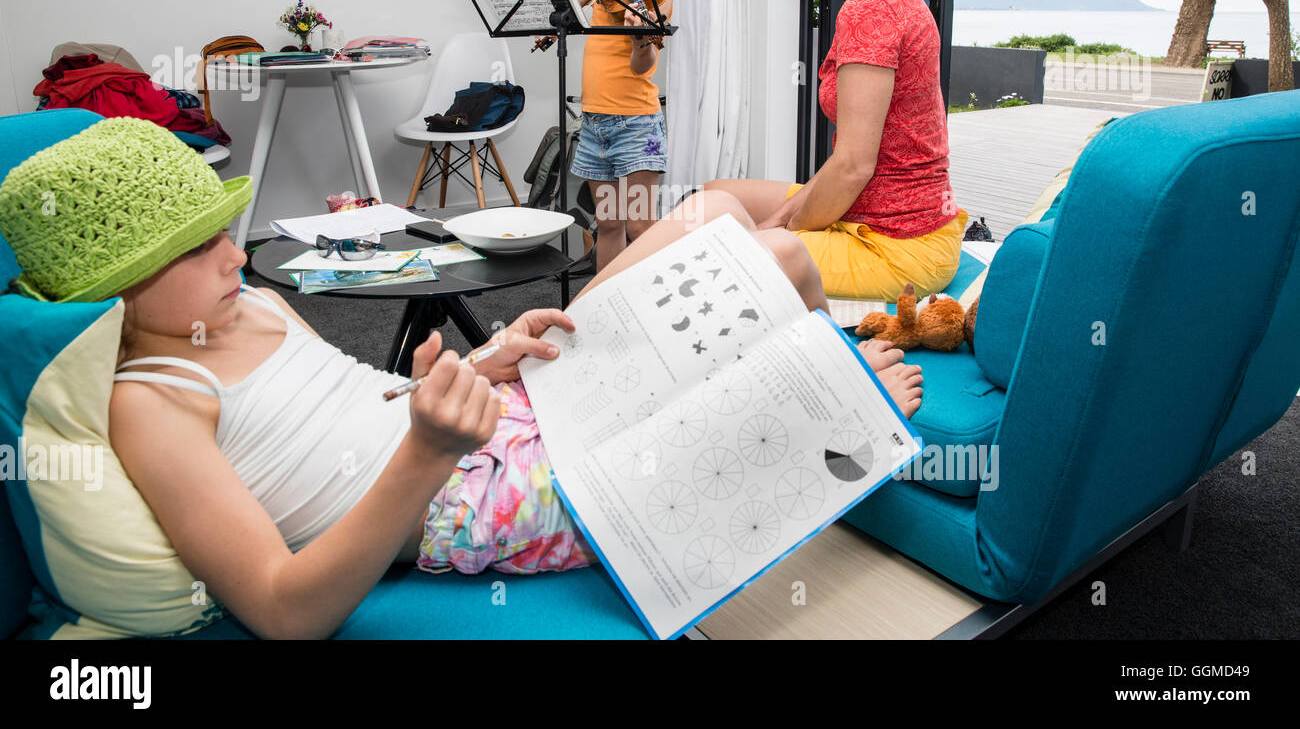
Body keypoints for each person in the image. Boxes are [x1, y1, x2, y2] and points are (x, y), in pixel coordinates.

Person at [0, 118, 923, 640]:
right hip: (459, 492)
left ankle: (819, 373)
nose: (235, 251)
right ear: (114, 292)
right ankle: (833, 396)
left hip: (492, 413)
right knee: (805, 368)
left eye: (221, 228)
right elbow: (285, 612)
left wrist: (488, 359)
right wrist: (429, 450)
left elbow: (373, 400)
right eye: (197, 249)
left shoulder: (252, 307)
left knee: (740, 235)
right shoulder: (152, 401)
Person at [704, 0, 968, 302]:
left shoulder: (875, 5)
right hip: (874, 210)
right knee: (717, 197)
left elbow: (852, 167)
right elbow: (851, 164)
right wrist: (782, 220)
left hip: (899, 244)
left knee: (723, 256)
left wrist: (783, 230)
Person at [570, 0, 673, 274]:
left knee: (640, 224)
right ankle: (605, 304)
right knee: (609, 223)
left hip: (636, 124)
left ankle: (653, 301)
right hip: (595, 122)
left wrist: (640, 39)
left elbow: (642, 67)